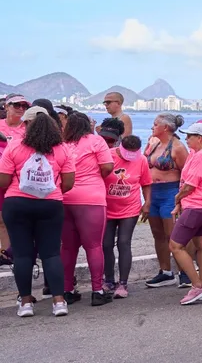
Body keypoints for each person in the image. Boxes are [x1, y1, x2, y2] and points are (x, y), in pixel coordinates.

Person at [0, 107, 75, 316]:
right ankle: (59, 302)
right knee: (51, 254)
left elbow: (3, 180)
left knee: (22, 254)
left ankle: (25, 303)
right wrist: (50, 192)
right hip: (50, 204)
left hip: (17, 203)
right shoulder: (61, 148)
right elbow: (68, 182)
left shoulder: (15, 146)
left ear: (26, 124)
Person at [60, 112, 114, 306]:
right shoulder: (95, 141)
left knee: (67, 247)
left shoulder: (62, 143)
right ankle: (97, 290)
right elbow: (107, 166)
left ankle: (66, 290)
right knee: (93, 246)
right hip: (91, 198)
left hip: (65, 197)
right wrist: (95, 175)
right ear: (87, 124)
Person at [169, 122, 202, 305]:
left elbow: (190, 185)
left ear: (200, 138)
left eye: (189, 136)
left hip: (196, 206)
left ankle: (198, 286)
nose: (186, 138)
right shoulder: (198, 154)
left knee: (175, 246)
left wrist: (177, 199)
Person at [101, 119, 150, 298]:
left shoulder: (142, 160)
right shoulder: (108, 155)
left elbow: (146, 183)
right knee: (106, 244)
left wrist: (147, 203)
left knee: (123, 243)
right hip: (107, 206)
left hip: (129, 207)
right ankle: (108, 280)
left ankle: (123, 283)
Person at [143, 113, 189, 288]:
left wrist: (181, 199)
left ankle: (184, 271)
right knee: (158, 234)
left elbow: (186, 173)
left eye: (155, 125)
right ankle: (165, 272)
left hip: (170, 191)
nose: (152, 127)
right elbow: (143, 166)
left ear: (166, 128)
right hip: (154, 192)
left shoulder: (177, 147)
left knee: (173, 235)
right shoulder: (154, 144)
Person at [0, 93, 30, 266]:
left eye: (23, 106)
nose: (20, 109)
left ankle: (19, 251)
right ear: (6, 106)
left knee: (20, 220)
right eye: (16, 105)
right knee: (1, 220)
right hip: (1, 177)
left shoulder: (26, 129)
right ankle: (6, 254)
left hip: (20, 180)